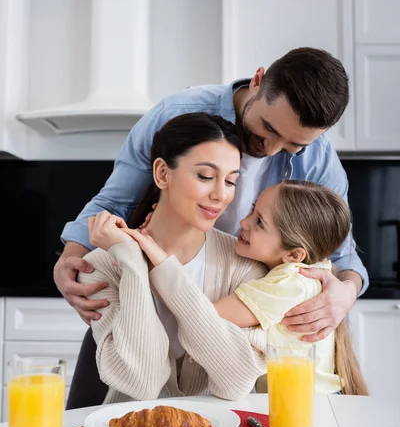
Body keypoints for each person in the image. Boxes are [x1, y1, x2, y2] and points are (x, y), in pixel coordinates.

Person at [55, 47, 369, 345]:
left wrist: (347, 292)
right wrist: (70, 258)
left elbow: (340, 251)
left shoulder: (318, 156)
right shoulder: (176, 114)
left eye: (292, 146)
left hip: (244, 306)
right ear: (257, 82)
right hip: (153, 289)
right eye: (268, 129)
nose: (271, 149)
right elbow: (115, 201)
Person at [77, 113, 268, 403]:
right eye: (205, 176)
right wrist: (133, 263)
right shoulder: (103, 264)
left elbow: (237, 381)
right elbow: (141, 384)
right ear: (163, 174)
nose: (220, 194)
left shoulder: (245, 265)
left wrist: (165, 271)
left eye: (230, 182)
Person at [127, 180, 368, 396]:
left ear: (294, 254)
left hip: (304, 408)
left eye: (260, 222)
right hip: (310, 401)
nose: (244, 222)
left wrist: (157, 255)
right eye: (253, 210)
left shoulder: (287, 284)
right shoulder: (312, 272)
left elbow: (202, 317)